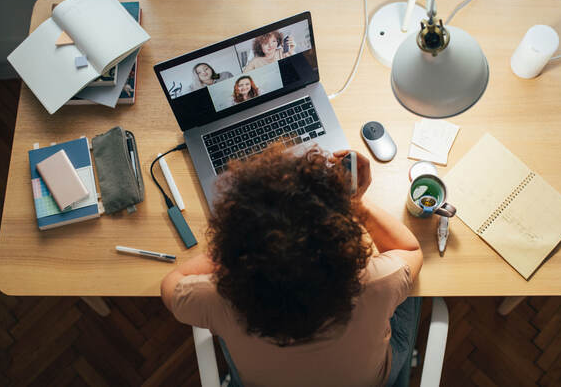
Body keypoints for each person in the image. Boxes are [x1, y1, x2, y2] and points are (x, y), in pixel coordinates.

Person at [161, 145, 423, 387]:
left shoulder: (216, 298)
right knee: (412, 289)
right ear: (341, 245)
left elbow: (172, 282)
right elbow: (410, 249)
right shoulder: (376, 282)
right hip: (370, 380)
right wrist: (354, 202)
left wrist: (232, 247)